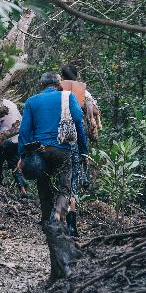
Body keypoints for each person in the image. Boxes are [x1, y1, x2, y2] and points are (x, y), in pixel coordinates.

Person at [17, 72, 88, 230]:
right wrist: (84, 151)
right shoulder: (68, 97)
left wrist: (22, 156)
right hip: (62, 150)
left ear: (41, 85)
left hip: (40, 150)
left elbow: (24, 132)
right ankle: (57, 214)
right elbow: (78, 122)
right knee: (65, 187)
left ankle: (45, 221)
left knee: (43, 184)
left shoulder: (31, 101)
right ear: (58, 85)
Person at [59, 64, 101, 237]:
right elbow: (95, 112)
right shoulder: (84, 92)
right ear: (77, 76)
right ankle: (71, 225)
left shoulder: (57, 89)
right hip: (76, 139)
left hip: (56, 140)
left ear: (62, 76)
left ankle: (54, 218)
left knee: (60, 181)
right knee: (73, 183)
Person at [0, 98, 28, 195]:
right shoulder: (11, 103)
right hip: (16, 139)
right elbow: (20, 119)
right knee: (15, 164)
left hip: (4, 139)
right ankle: (23, 188)